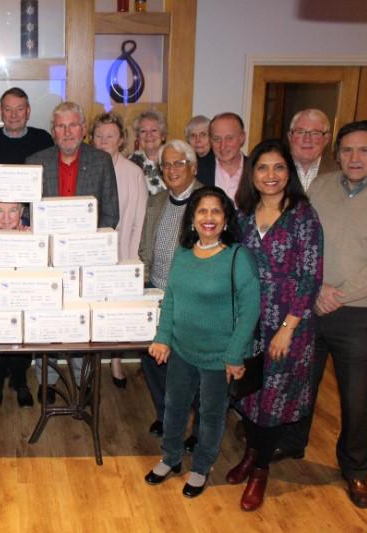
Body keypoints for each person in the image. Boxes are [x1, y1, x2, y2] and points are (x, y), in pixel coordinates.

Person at [279, 120, 367, 509]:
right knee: (303, 384)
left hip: (360, 315)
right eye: (347, 150)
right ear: (336, 153)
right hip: (312, 306)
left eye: (363, 150)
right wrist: (317, 291)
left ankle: (355, 470)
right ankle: (293, 443)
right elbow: (303, 241)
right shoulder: (320, 187)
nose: (354, 158)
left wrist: (340, 295)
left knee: (356, 397)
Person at [144, 186, 260, 499]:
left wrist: (235, 355)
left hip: (219, 356)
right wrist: (163, 336)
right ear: (192, 219)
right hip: (182, 348)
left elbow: (251, 310)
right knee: (174, 406)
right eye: (202, 211)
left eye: (216, 211)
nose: (209, 218)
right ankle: (170, 457)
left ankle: (201, 467)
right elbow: (171, 299)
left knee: (211, 413)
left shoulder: (238, 257)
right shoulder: (183, 253)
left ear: (226, 219)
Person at [229, 138, 324, 511]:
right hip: (249, 321)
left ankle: (261, 470)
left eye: (279, 168)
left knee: (274, 398)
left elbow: (310, 277)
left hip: (288, 326)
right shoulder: (242, 216)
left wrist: (287, 327)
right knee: (250, 393)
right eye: (263, 168)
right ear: (252, 175)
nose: (271, 175)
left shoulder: (303, 216)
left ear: (290, 173)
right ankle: (252, 453)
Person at [26, 101, 120, 403]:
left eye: (73, 125)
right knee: (48, 320)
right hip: (48, 260)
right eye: (60, 126)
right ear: (53, 131)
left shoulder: (102, 160)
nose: (67, 132)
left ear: (83, 129)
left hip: (86, 261)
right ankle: (47, 380)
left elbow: (111, 213)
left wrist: (89, 249)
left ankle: (82, 380)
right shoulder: (34, 162)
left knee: (81, 320)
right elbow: (26, 213)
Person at [138, 139, 203, 451]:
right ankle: (167, 415)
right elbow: (145, 245)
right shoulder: (158, 200)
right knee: (154, 359)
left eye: (179, 163)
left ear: (193, 167)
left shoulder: (208, 201)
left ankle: (199, 428)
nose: (172, 170)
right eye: (166, 165)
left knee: (195, 365)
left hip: (194, 299)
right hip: (156, 293)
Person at [91, 111, 147, 388]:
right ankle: (88, 364)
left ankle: (115, 360)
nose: (103, 141)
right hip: (90, 256)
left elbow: (138, 219)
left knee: (116, 312)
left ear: (121, 139)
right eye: (99, 135)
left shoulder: (133, 173)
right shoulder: (87, 167)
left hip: (122, 253)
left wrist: (132, 259)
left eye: (110, 136)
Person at [0, 201, 33, 408]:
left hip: (22, 301)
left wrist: (29, 239)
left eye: (12, 210)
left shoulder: (31, 233)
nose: (5, 218)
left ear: (22, 211)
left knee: (20, 346)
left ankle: (20, 383)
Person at [0, 87, 54, 165]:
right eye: (8, 109)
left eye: (19, 109)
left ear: (28, 112)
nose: (14, 115)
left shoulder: (43, 139)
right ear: (1, 112)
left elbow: (53, 176)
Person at [286, 108, 333, 191]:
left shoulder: (340, 171)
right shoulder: (273, 170)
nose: (307, 139)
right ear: (290, 137)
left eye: (315, 133)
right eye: (300, 132)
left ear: (326, 139)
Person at [206, 112, 246, 200]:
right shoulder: (198, 170)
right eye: (217, 139)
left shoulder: (256, 170)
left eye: (229, 138)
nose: (223, 146)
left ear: (242, 138)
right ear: (210, 140)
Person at [130, 109, 167, 195]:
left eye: (154, 130)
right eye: (143, 131)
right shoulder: (132, 163)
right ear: (138, 138)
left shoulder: (174, 158)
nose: (148, 135)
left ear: (163, 135)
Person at [186, 114, 215, 187]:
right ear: (188, 140)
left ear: (211, 137)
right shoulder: (185, 161)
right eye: (193, 135)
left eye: (203, 135)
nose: (197, 140)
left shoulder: (219, 161)